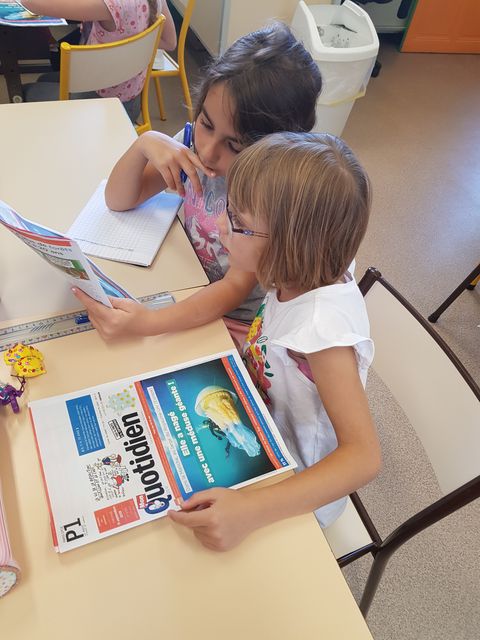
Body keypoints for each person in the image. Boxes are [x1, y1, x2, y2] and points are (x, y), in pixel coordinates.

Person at [167, 131, 382, 550]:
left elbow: (363, 457)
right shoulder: (296, 273)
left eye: (239, 223)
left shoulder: (322, 334)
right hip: (256, 427)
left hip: (292, 490)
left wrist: (251, 510)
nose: (222, 227)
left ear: (293, 245)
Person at [72, 23, 323, 347]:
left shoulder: (269, 194)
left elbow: (234, 288)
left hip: (234, 320)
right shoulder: (192, 143)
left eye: (235, 145)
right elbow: (119, 200)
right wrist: (143, 144)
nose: (207, 152)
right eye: (206, 123)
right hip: (187, 282)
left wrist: (150, 322)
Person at [21, 0, 177, 123]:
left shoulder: (109, 5)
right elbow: (170, 42)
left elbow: (31, 3)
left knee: (25, 91)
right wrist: (131, 41)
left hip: (104, 109)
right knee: (44, 79)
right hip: (131, 98)